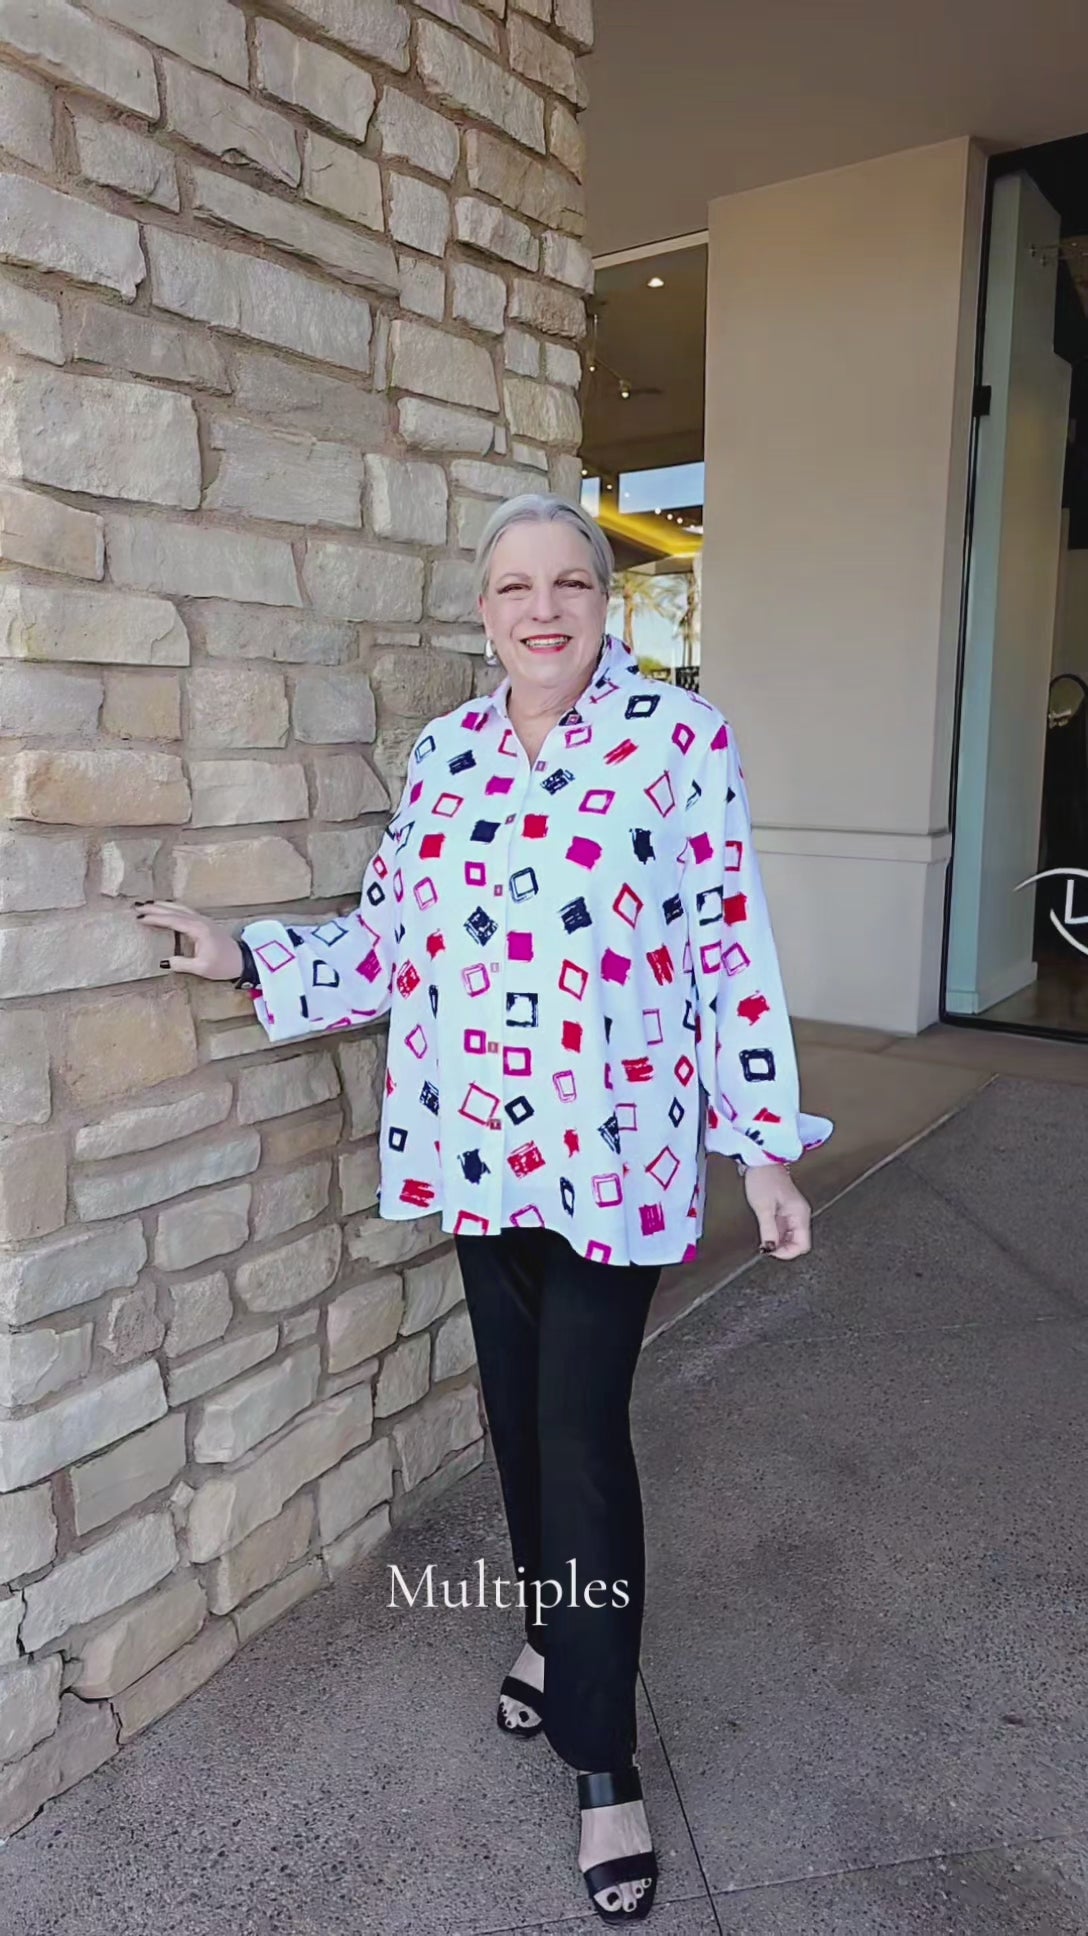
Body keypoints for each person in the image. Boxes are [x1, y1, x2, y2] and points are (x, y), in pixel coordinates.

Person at [134, 493, 833, 1925]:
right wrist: (243, 956)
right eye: (516, 587)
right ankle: (553, 1633)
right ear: (484, 613)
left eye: (570, 582)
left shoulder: (679, 743)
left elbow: (728, 949)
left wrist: (760, 1145)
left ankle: (600, 1757)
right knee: (516, 1420)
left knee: (580, 1440)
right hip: (479, 1151)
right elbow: (390, 941)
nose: (544, 609)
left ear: (605, 602)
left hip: (616, 1161)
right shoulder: (446, 753)